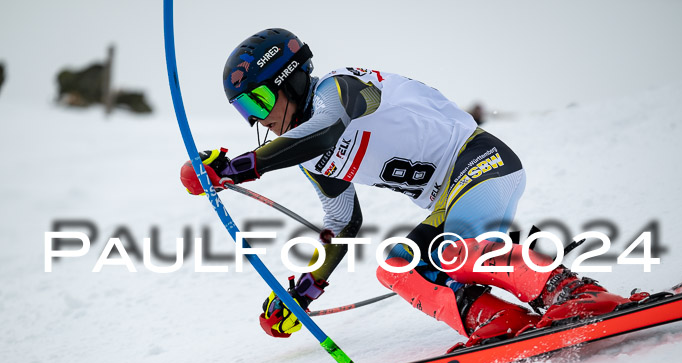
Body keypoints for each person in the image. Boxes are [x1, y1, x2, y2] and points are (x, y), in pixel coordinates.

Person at [180, 28, 633, 346]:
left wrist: (239, 167)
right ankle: (499, 320)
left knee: (431, 254)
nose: (257, 118)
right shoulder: (308, 157)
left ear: (292, 81)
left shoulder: (338, 90)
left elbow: (323, 132)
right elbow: (343, 224)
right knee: (396, 266)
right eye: (245, 110)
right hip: (455, 197)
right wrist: (307, 289)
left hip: (482, 163)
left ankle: (575, 293)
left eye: (258, 99)